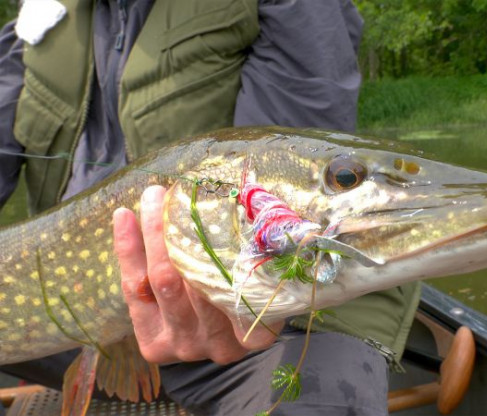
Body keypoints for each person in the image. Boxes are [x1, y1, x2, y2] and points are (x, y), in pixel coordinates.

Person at [0, 1, 421, 414]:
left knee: (321, 400)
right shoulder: (43, 16)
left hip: (272, 315)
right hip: (77, 316)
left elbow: (289, 194)